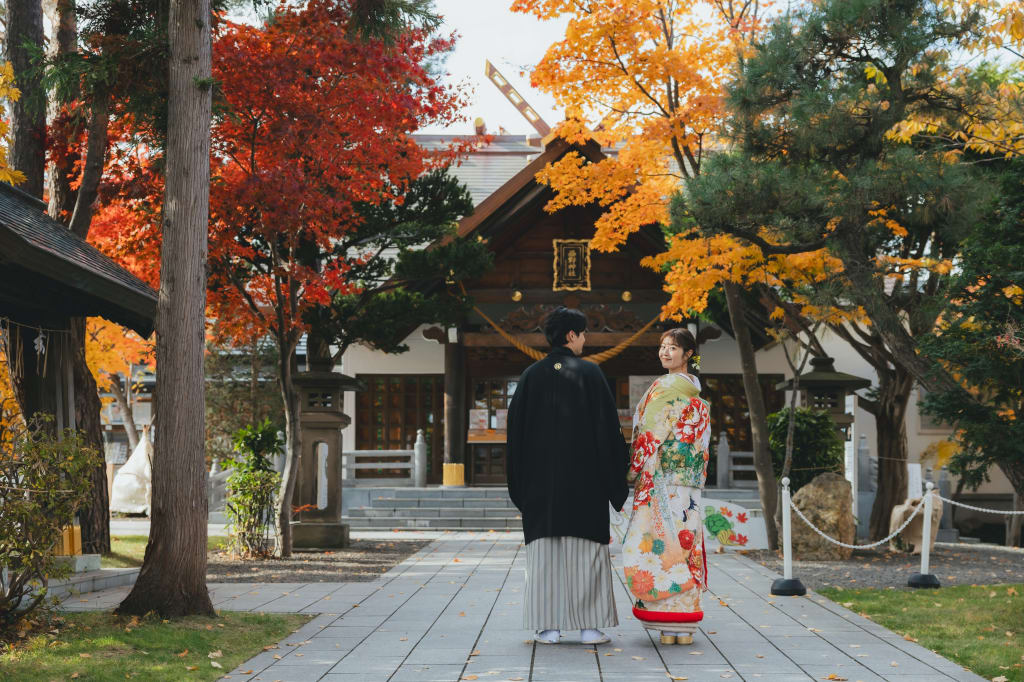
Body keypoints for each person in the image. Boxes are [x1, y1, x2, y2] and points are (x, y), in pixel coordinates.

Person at [506, 306, 630, 646]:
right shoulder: (590, 374)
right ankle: (590, 627)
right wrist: (616, 481)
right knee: (587, 552)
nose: (586, 339)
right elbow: (608, 432)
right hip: (585, 484)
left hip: (540, 486)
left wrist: (520, 486)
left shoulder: (530, 376)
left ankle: (548, 627)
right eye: (584, 333)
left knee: (545, 554)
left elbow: (514, 435)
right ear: (572, 335)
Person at [622, 327, 711, 645]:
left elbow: (650, 433)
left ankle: (666, 617)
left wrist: (633, 470)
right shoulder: (693, 390)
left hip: (661, 478)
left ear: (688, 354)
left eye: (672, 348)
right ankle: (683, 619)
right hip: (687, 483)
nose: (665, 352)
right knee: (683, 542)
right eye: (662, 347)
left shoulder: (668, 386)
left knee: (658, 544)